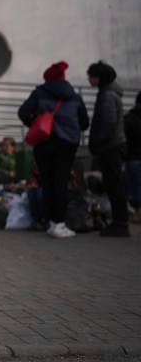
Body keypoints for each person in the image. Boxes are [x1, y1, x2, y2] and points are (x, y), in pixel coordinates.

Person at [18, 61, 89, 239]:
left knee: (47, 183)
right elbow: (84, 123)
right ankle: (59, 223)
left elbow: (23, 112)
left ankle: (50, 222)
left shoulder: (39, 93)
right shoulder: (75, 97)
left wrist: (36, 123)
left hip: (44, 143)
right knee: (61, 183)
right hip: (66, 145)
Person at [86, 61, 130, 237]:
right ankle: (119, 222)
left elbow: (108, 123)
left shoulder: (107, 96)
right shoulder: (109, 93)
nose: (89, 80)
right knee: (114, 184)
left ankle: (120, 223)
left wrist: (97, 141)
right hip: (112, 145)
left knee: (114, 184)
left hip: (110, 146)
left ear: (99, 77)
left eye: (91, 76)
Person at [125, 91, 141, 216]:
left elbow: (124, 140)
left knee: (135, 188)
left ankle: (137, 211)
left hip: (133, 158)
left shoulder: (128, 118)